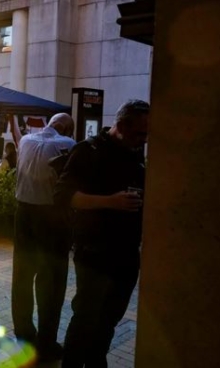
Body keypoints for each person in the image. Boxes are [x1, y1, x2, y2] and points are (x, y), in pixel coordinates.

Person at [54, 100, 149, 368]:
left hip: (127, 255)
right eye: (139, 134)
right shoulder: (88, 151)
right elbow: (63, 196)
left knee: (109, 320)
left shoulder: (134, 153)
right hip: (94, 253)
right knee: (85, 318)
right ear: (120, 126)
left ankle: (97, 362)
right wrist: (111, 201)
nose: (143, 140)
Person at [11, 113, 76, 361]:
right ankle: (47, 344)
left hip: (23, 215)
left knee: (22, 279)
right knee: (52, 282)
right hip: (52, 218)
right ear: (67, 130)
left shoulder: (26, 140)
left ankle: (24, 337)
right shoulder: (67, 144)